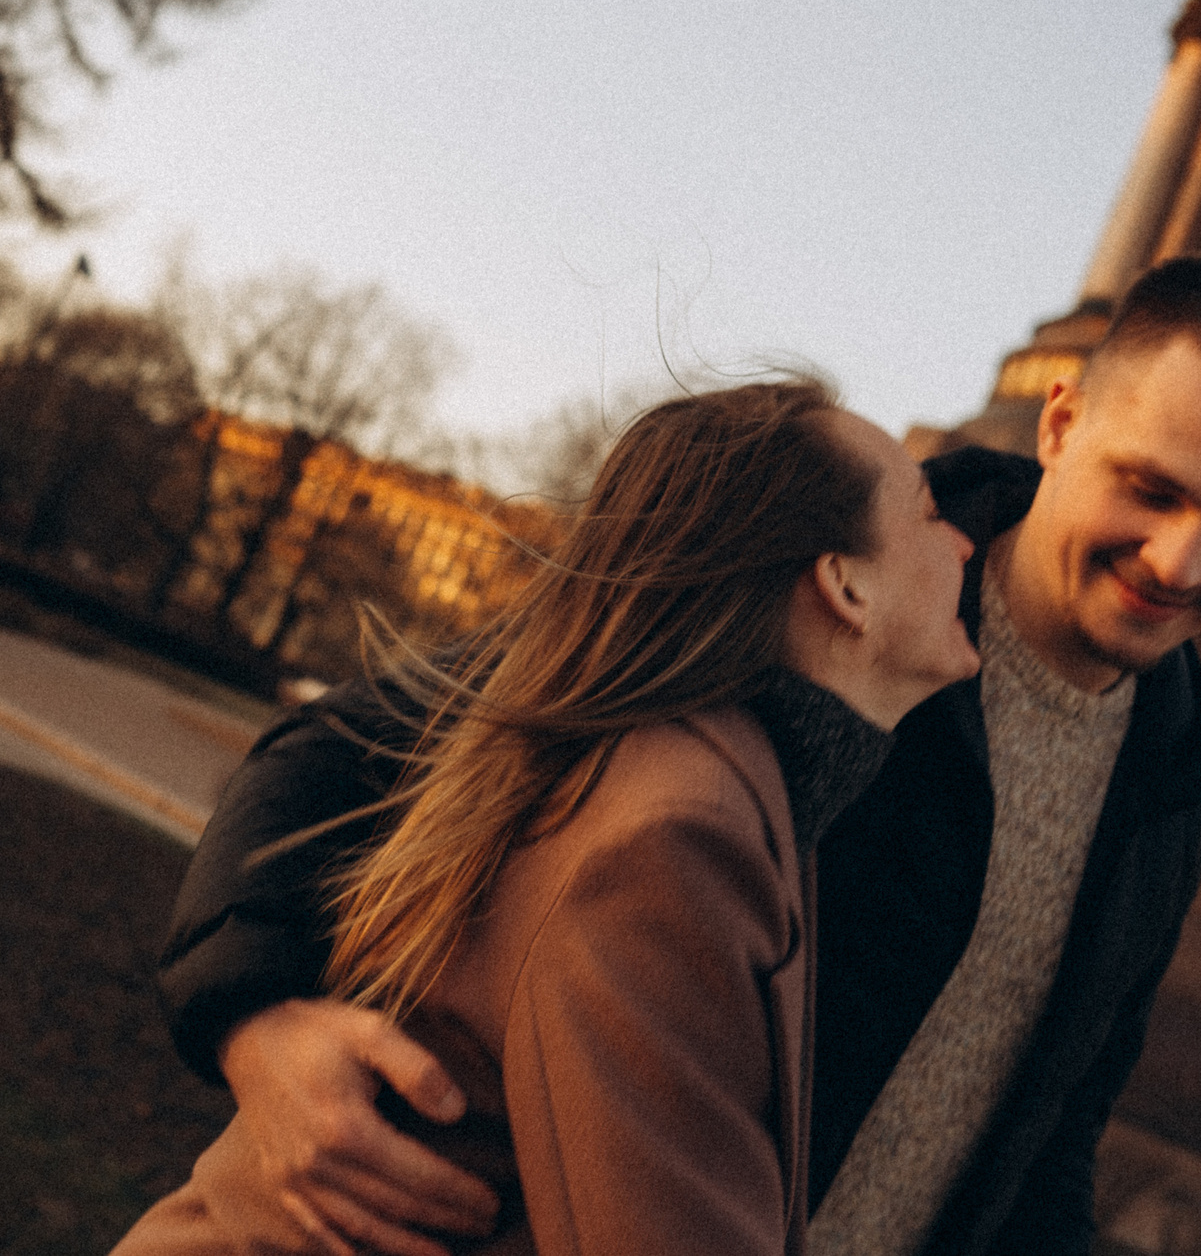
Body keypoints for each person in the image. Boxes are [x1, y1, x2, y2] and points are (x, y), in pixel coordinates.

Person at [155, 255, 1201, 1256]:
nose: (1180, 561)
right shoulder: (826, 583)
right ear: (1060, 425)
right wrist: (255, 1021)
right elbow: (338, 750)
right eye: (1149, 490)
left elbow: (1049, 1135)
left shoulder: (1178, 782)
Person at [114, 380, 982, 1254]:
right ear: (844, 585)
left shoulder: (691, 771)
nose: (964, 540)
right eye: (927, 513)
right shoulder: (679, 832)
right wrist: (247, 1011)